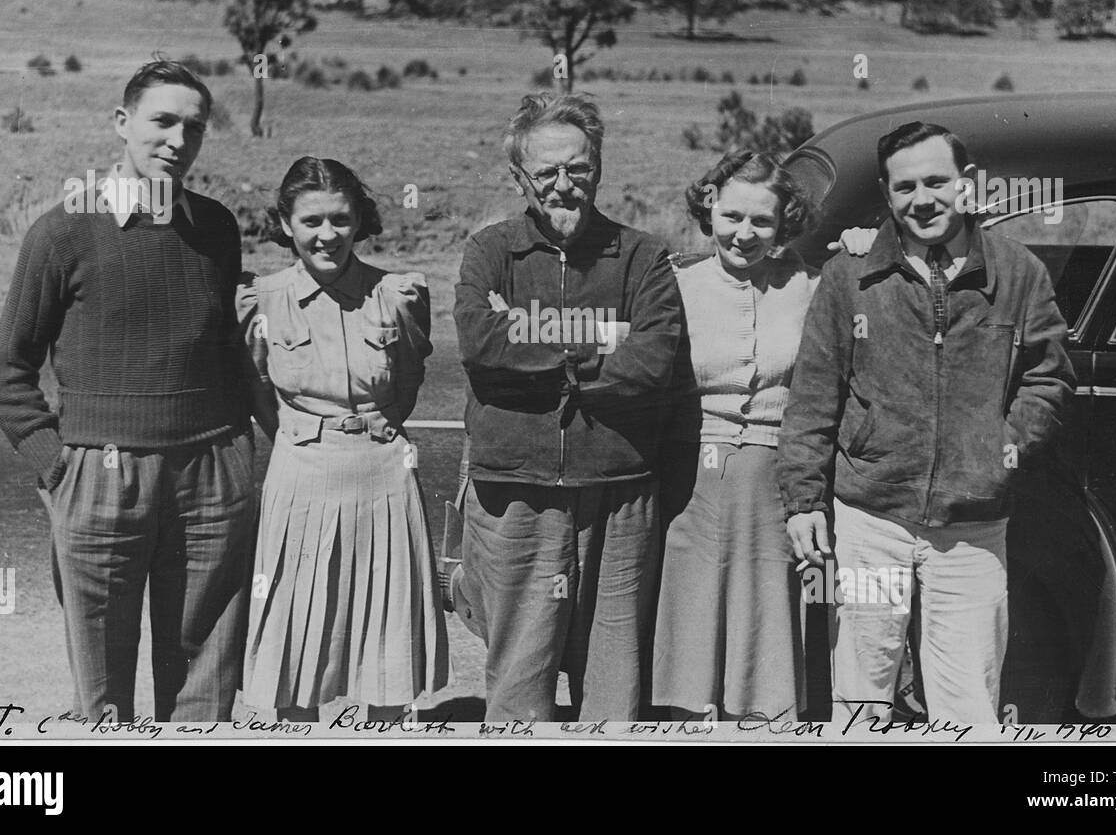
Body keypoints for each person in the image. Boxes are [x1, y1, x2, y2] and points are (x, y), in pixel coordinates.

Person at [778, 122, 1076, 724]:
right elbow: (814, 392)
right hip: (869, 522)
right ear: (887, 195)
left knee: (967, 698)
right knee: (862, 692)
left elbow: (1048, 378)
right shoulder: (850, 275)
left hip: (973, 530)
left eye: (937, 182)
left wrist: (1000, 453)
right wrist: (804, 499)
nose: (923, 200)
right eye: (905, 187)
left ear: (965, 185)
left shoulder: (1018, 274)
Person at [0, 59, 254, 721]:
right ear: (122, 123)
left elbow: (223, 351)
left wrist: (243, 457)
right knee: (102, 691)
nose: (176, 141)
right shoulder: (63, 231)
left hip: (212, 474)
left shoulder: (218, 229)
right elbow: (7, 368)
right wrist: (57, 466)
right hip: (100, 471)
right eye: (161, 122)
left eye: (193, 128)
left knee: (203, 684)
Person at [453, 93, 681, 721]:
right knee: (519, 680)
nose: (564, 185)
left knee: (613, 684)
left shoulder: (643, 255)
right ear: (520, 178)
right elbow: (480, 343)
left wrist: (532, 332)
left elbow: (653, 361)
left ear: (598, 167)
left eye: (577, 168)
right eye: (547, 171)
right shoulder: (490, 250)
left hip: (618, 485)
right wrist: (607, 336)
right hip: (515, 486)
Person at [652, 150, 874, 721]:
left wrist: (865, 250)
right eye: (732, 217)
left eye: (761, 222)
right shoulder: (674, 282)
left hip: (780, 487)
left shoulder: (810, 284)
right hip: (691, 487)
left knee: (771, 634)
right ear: (710, 210)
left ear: (784, 224)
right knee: (691, 636)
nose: (744, 234)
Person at [239, 157, 448, 722]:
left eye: (340, 219)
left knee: (386, 642)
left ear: (359, 222)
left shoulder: (397, 294)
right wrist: (308, 435)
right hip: (300, 475)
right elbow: (258, 390)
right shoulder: (260, 299)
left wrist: (369, 432)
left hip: (383, 476)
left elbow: (406, 383)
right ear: (285, 224)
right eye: (310, 221)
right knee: (296, 647)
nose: (326, 235)